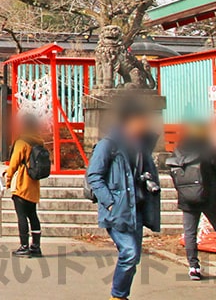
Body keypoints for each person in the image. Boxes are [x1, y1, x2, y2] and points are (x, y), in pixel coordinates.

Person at [86, 100, 161, 300]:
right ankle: (117, 296)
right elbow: (93, 175)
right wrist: (110, 202)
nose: (145, 124)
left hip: (136, 206)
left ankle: (122, 295)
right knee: (129, 253)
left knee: (132, 256)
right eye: (142, 120)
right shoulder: (108, 145)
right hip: (118, 207)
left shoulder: (141, 145)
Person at [168, 122, 216, 279]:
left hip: (187, 198)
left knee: (190, 233)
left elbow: (173, 173)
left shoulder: (178, 151)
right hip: (209, 196)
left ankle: (194, 267)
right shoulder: (208, 149)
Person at [5, 113, 45, 257]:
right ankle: (36, 246)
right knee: (33, 215)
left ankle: (24, 246)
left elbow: (14, 163)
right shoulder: (39, 141)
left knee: (21, 216)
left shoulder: (22, 141)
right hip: (34, 184)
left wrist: (8, 180)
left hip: (22, 183)